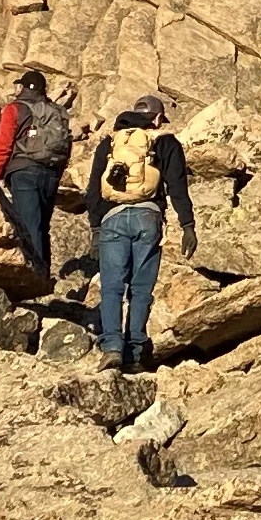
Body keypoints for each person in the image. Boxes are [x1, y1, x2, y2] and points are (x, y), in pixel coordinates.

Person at [82, 94, 198, 373]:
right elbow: (177, 187)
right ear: (157, 118)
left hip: (112, 219)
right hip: (148, 217)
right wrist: (187, 226)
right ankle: (134, 352)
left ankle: (111, 347)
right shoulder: (164, 142)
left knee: (111, 286)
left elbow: (94, 190)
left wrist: (96, 228)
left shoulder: (110, 144)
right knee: (141, 288)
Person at [0, 68, 75, 280]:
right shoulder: (57, 111)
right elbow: (65, 145)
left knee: (28, 224)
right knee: (42, 225)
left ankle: (35, 276)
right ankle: (44, 273)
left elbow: (4, 144)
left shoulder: (15, 109)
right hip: (50, 173)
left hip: (24, 172)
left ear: (23, 87)